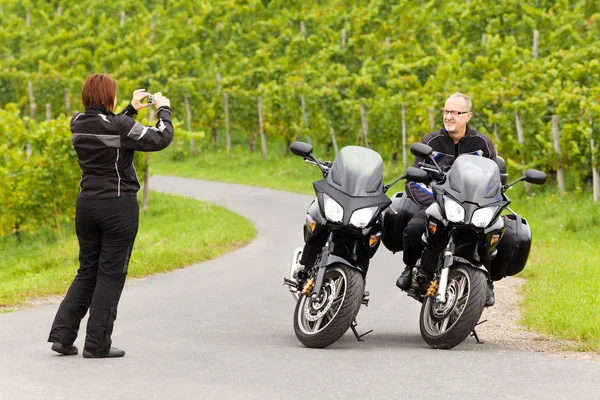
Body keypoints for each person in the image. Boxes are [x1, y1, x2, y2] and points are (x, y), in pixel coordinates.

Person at [47, 74, 174, 358]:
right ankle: (97, 344)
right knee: (110, 276)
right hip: (117, 208)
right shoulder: (120, 126)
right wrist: (163, 108)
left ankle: (63, 338)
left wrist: (131, 108)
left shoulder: (78, 122)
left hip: (87, 207)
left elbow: (110, 129)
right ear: (108, 98)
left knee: (87, 271)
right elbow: (161, 137)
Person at [395, 93, 498, 306]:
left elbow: (493, 180)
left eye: (455, 112)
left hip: (471, 206)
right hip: (437, 203)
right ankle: (411, 266)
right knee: (414, 228)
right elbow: (413, 181)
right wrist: (433, 203)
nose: (449, 116)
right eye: (446, 111)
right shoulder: (430, 141)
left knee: (493, 234)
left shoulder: (482, 143)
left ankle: (486, 279)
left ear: (467, 116)